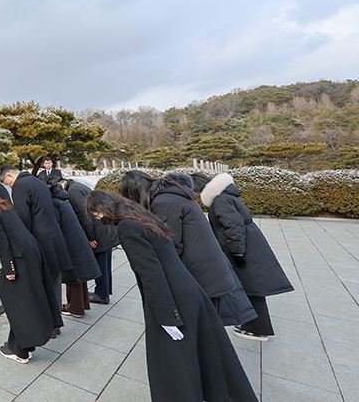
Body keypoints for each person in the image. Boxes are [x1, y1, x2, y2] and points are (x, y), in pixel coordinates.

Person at [85, 190, 258, 402]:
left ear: (104, 209)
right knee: (207, 354)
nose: (98, 219)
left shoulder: (127, 227)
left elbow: (150, 273)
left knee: (173, 366)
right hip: (188, 289)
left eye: (97, 214)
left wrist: (166, 316)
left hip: (171, 296)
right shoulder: (142, 216)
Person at [122, 171, 257, 326]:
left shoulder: (163, 203)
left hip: (200, 271)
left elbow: (171, 244)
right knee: (209, 324)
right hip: (207, 267)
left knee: (202, 326)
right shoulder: (173, 196)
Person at [193, 172, 294, 341]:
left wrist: (237, 252)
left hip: (244, 247)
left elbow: (234, 226)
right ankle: (253, 324)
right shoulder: (225, 196)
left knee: (252, 287)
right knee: (252, 287)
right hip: (249, 244)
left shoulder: (220, 201)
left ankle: (257, 329)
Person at [0, 191, 62, 363]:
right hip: (30, 252)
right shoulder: (2, 205)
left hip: (19, 258)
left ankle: (21, 351)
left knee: (16, 301)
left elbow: (2, 241)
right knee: (24, 300)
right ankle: (21, 345)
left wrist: (8, 268)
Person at [0, 164, 73, 336]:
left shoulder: (20, 185)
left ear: (10, 176)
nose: (9, 186)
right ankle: (56, 324)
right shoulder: (37, 181)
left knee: (43, 285)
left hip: (41, 242)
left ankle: (48, 326)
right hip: (54, 237)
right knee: (54, 283)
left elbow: (23, 219)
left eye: (7, 182)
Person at [51, 176, 119, 305]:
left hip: (98, 233)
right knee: (105, 263)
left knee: (101, 265)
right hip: (103, 229)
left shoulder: (73, 192)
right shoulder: (78, 186)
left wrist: (90, 237)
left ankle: (102, 295)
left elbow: (84, 216)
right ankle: (103, 291)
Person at [48, 181, 102, 317]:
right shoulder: (64, 200)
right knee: (80, 276)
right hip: (77, 240)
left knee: (74, 277)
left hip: (71, 243)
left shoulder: (55, 203)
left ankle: (75, 308)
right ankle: (81, 304)